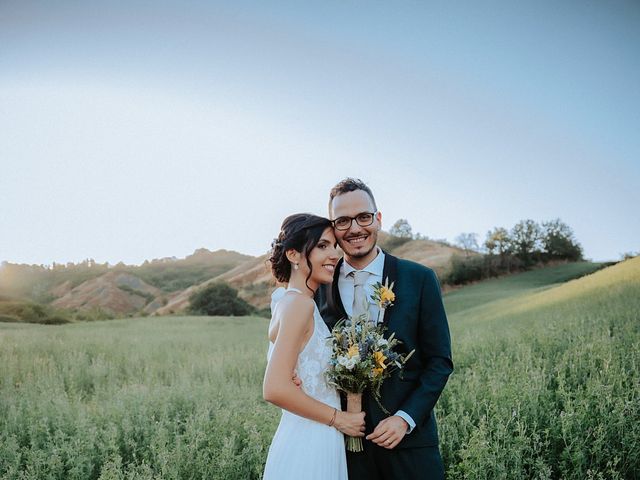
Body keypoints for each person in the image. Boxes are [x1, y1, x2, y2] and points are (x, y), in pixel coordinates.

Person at [315, 178, 454, 480]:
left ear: (378, 219)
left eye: (363, 217)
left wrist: (405, 419)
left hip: (409, 446)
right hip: (343, 451)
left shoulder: (419, 279)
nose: (354, 229)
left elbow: (439, 362)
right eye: (342, 221)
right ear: (333, 227)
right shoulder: (319, 285)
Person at [262, 213, 366, 480]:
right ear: (294, 255)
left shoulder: (287, 301)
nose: (334, 254)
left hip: (305, 435)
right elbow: (274, 388)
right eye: (322, 246)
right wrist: (339, 419)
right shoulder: (300, 305)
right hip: (311, 442)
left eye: (334, 246)